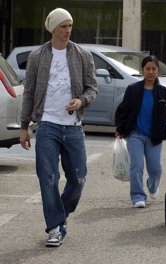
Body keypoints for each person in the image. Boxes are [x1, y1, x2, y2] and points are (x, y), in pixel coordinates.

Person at [19, 8, 97, 247]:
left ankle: (60, 215)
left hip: (73, 126)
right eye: (63, 26)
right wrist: (24, 126)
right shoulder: (37, 56)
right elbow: (30, 92)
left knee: (79, 178)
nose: (68, 30)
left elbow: (92, 88)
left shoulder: (83, 55)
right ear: (53, 28)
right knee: (48, 177)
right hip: (47, 125)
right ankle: (54, 228)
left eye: (70, 26)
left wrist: (81, 101)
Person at [115, 55, 166, 208]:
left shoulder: (163, 92)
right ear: (142, 70)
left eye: (154, 69)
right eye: (148, 69)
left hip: (154, 136)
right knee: (137, 166)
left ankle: (152, 186)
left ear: (158, 71)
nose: (151, 72)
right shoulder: (133, 90)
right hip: (135, 135)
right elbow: (123, 110)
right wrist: (120, 129)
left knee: (155, 169)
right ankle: (138, 196)